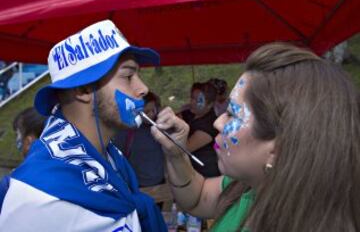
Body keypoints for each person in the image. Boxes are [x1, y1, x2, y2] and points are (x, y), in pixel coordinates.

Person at [151, 42, 360, 232]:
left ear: (277, 150)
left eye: (232, 114)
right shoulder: (247, 186)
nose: (218, 123)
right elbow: (198, 198)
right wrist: (177, 154)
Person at [0, 20, 167, 231]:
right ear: (84, 90)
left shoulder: (113, 159)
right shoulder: (37, 197)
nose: (143, 88)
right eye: (128, 76)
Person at [113, 91, 165, 187]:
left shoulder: (161, 127)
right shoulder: (127, 131)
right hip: (138, 185)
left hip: (161, 182)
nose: (151, 115)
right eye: (146, 112)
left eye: (154, 110)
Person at [181, 82, 220, 177]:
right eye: (192, 98)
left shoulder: (210, 124)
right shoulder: (192, 113)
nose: (192, 102)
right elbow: (178, 115)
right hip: (193, 170)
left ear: (210, 105)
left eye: (199, 100)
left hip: (206, 173)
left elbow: (185, 148)